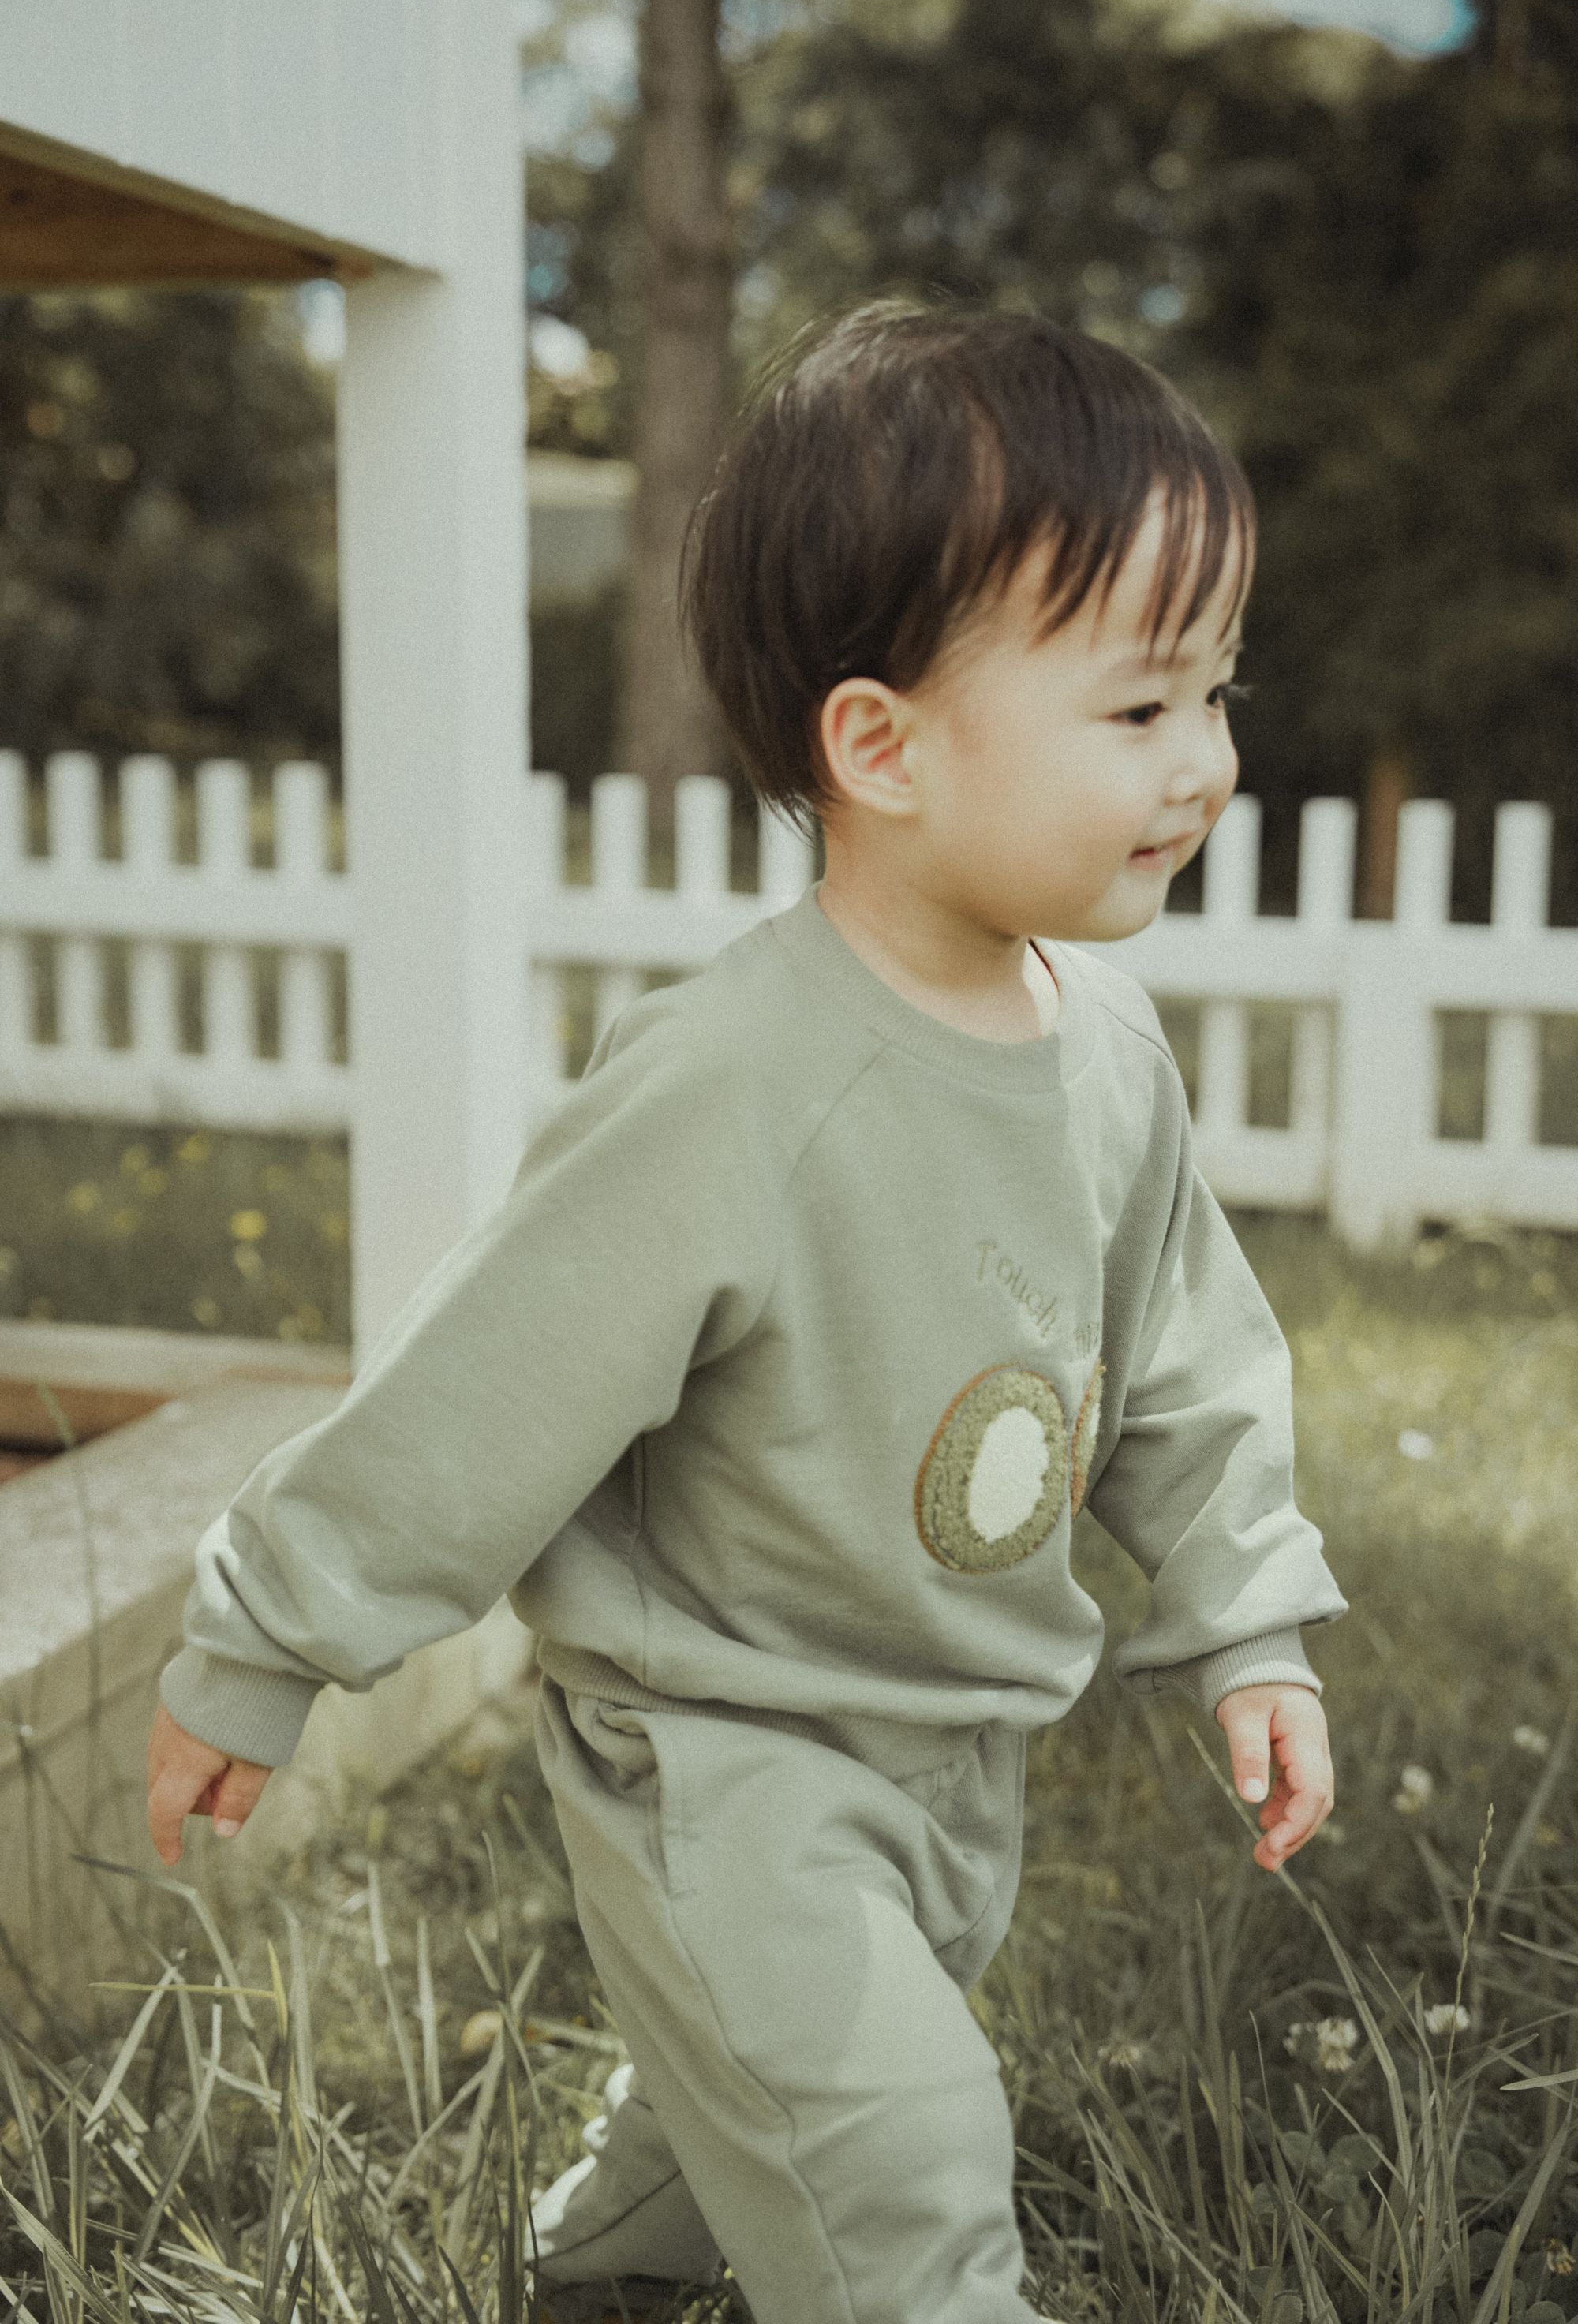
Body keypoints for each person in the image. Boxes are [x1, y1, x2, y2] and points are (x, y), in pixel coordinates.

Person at [146, 301, 1347, 2324]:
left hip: (953, 1741)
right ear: (880, 747)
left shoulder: (1108, 1055)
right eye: (1140, 705)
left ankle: (595, 2276)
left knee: (774, 2102)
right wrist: (267, 1633)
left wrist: (1248, 1622)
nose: (1206, 762)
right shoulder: (734, 1081)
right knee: (908, 2170)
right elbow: (492, 1377)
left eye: (1218, 691)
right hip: (722, 1746)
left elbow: (1182, 1364)